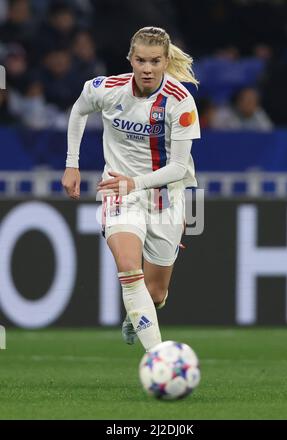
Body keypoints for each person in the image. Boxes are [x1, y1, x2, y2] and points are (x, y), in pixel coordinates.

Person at [62, 26, 200, 351]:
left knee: (155, 295)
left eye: (155, 61)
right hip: (118, 191)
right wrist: (72, 163)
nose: (147, 68)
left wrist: (134, 183)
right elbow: (79, 110)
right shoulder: (106, 89)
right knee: (128, 267)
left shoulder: (181, 103)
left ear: (166, 61)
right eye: (140, 60)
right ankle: (158, 358)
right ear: (130, 59)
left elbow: (178, 168)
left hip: (166, 197)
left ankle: (137, 314)